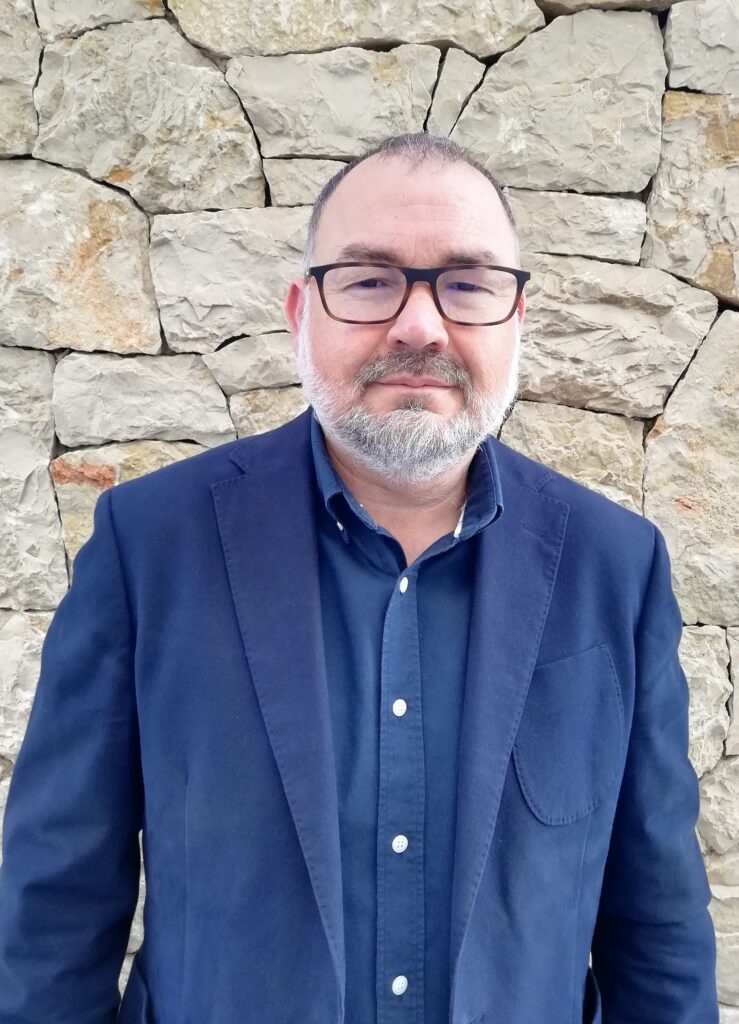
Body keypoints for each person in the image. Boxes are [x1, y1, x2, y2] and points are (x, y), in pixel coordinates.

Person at [0, 133, 718, 1024]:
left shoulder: (614, 566)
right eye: (370, 281)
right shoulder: (150, 545)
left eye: (466, 284)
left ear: (516, 319)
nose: (420, 326)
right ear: (300, 313)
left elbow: (657, 926)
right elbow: (55, 903)